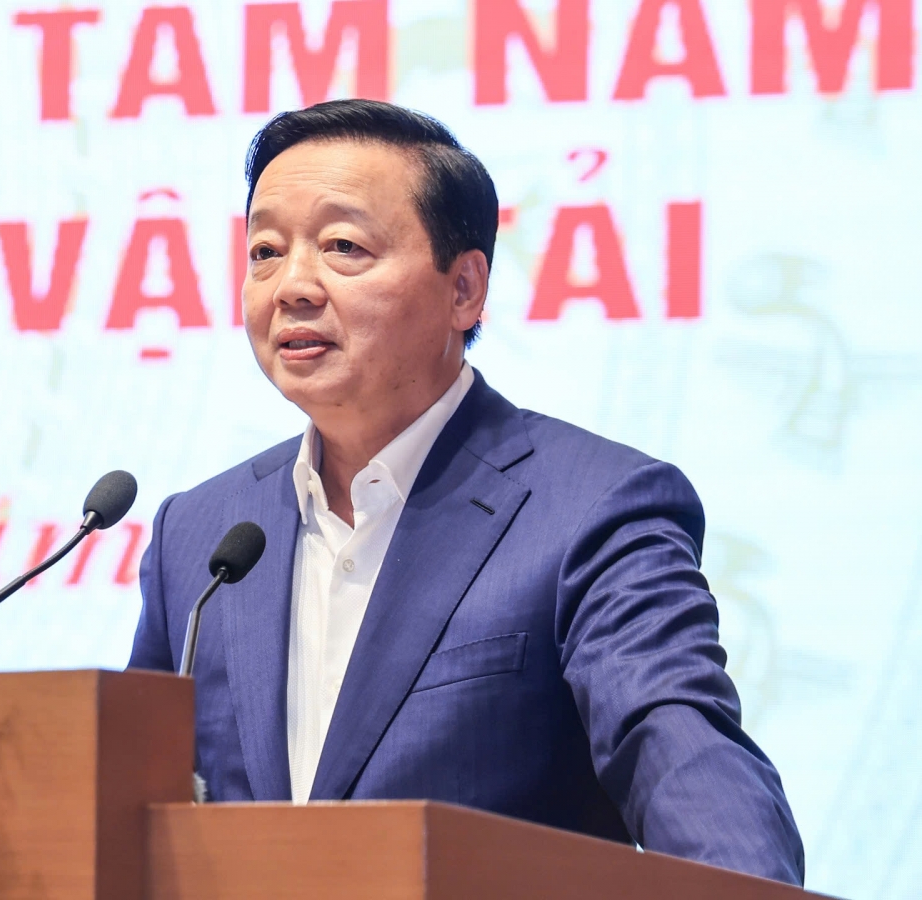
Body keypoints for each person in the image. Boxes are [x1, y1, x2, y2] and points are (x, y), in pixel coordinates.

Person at [127, 99, 804, 885]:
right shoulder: (199, 534)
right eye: (265, 252)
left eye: (343, 246)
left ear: (465, 289)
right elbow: (127, 803)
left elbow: (677, 743)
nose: (292, 286)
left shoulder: (591, 509)